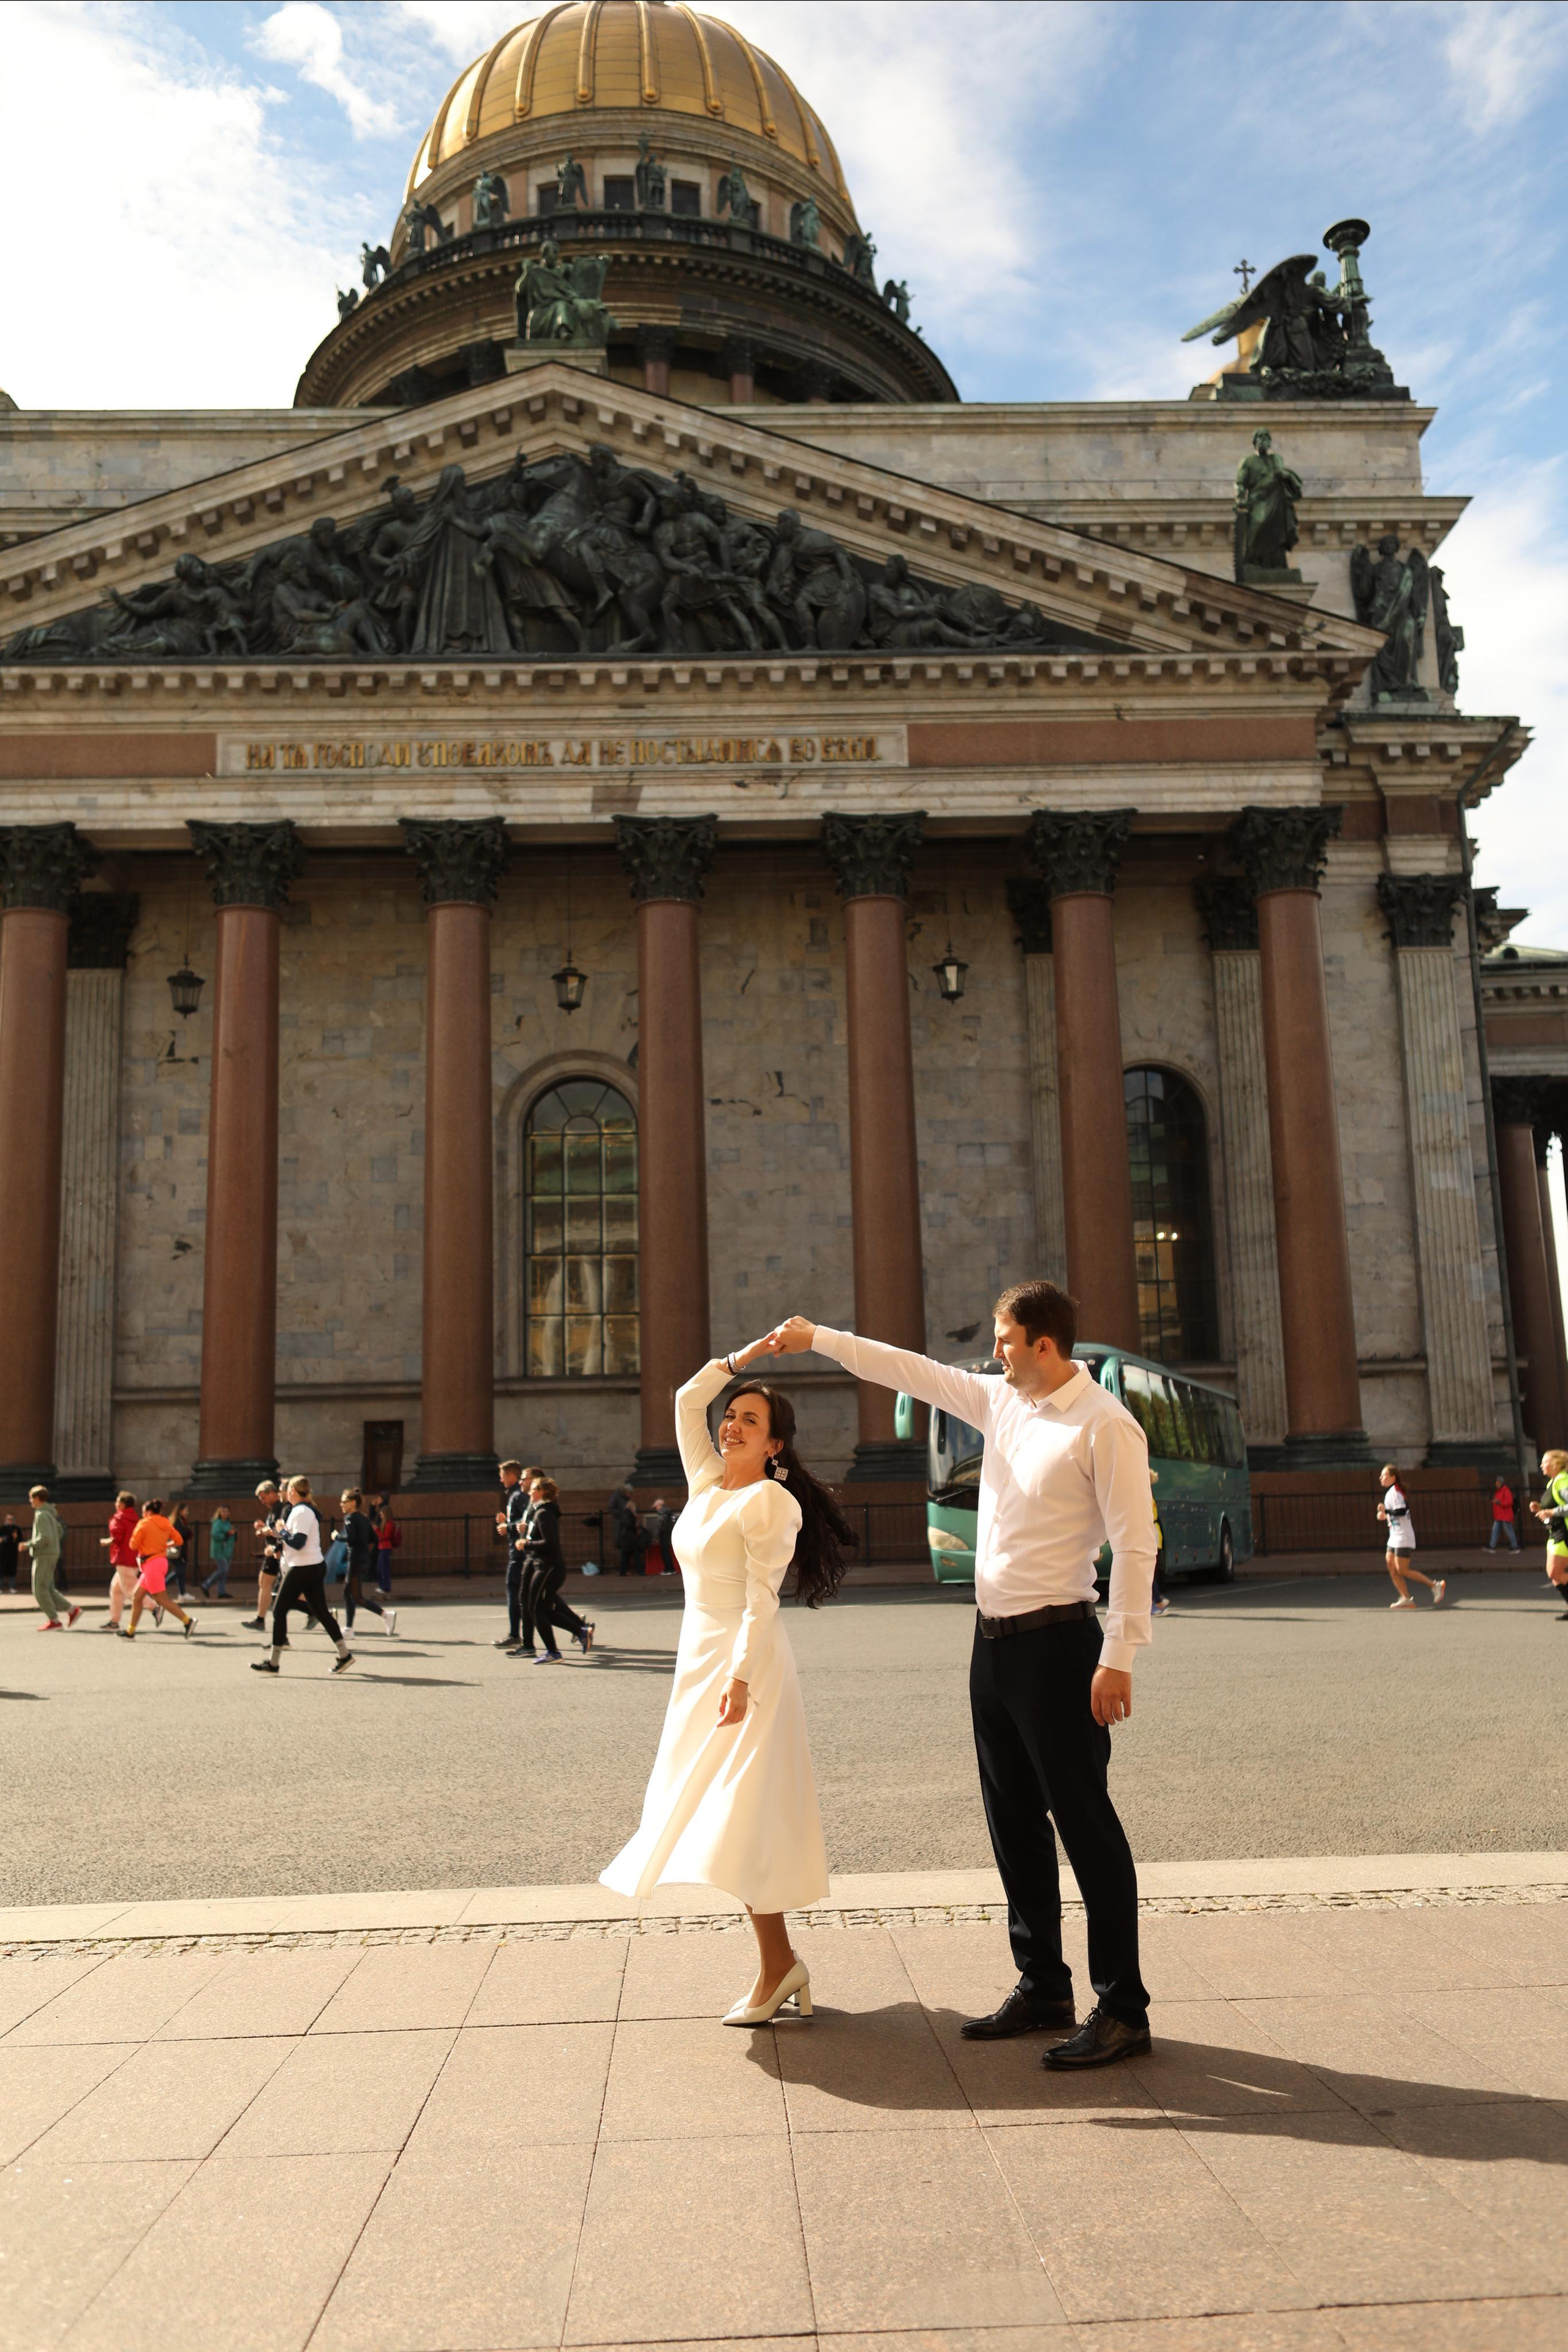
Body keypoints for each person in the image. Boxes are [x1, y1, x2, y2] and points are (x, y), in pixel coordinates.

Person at [768, 1282, 1156, 2069]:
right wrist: (819, 1337)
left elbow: (1137, 1545)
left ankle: (1123, 2008)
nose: (995, 1351)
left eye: (1006, 1338)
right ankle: (1043, 1984)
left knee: (1085, 1827)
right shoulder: (1000, 1402)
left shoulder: (1105, 1426)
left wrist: (1119, 1655)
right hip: (993, 1646)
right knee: (1012, 1822)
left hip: (1060, 1646)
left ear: (1044, 1344)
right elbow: (908, 1371)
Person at [603, 1336, 854, 2023]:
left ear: (774, 1445)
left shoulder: (769, 1504)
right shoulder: (707, 1484)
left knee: (738, 1820)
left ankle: (778, 1966)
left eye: (749, 1420)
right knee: (721, 1817)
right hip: (699, 1662)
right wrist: (748, 1355)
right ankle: (781, 1963)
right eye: (731, 1415)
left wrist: (739, 1679)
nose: (731, 1424)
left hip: (746, 1667)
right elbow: (686, 1399)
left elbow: (760, 1601)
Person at [251, 1476, 354, 1675]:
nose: (285, 1493)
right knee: (321, 1613)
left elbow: (298, 1542)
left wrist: (281, 1531)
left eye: (288, 1490)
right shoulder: (302, 1511)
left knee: (279, 1610)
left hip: (302, 1567)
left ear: (293, 1491)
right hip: (311, 1566)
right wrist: (276, 1532)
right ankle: (345, 1655)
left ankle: (274, 1663)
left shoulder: (301, 1511)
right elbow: (292, 1537)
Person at [519, 1476, 593, 1662]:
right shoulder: (540, 1512)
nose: (530, 1493)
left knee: (535, 1609)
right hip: (543, 1566)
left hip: (549, 1568)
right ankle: (580, 1632)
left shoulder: (544, 1513)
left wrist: (526, 1544)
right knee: (541, 1610)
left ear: (542, 1492)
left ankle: (554, 1652)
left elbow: (550, 1543)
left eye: (533, 1489)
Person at [122, 1499, 195, 1638]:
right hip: (160, 1561)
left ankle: (187, 1621)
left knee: (161, 1599)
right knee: (137, 1597)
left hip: (151, 1564)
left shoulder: (144, 1523)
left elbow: (133, 1545)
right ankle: (130, 1631)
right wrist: (165, 1546)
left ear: (148, 1512)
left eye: (143, 1512)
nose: (142, 1514)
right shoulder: (165, 1522)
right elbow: (179, 1541)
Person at [1378, 1465, 1445, 1608]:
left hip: (1403, 1536)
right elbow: (1394, 1514)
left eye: (1384, 1475)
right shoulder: (1390, 1493)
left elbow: (1401, 1511)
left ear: (1393, 1478)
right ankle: (1406, 1598)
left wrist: (1387, 1511)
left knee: (1402, 1570)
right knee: (1391, 1565)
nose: (1381, 1478)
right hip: (1394, 1535)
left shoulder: (1396, 1492)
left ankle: (1435, 1586)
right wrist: (1384, 1516)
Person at [494, 1460, 540, 1652]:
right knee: (534, 1596)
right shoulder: (516, 1495)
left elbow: (527, 1521)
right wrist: (509, 1522)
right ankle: (578, 1627)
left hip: (520, 1553)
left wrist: (509, 1527)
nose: (501, 1480)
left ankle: (516, 1635)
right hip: (521, 1552)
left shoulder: (517, 1496)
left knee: (518, 1594)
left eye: (503, 1476)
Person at [339, 1488, 395, 1636]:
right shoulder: (363, 1518)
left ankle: (385, 1615)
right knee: (350, 1594)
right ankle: (350, 1628)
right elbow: (374, 1539)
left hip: (355, 1559)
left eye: (344, 1502)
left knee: (354, 1595)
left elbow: (351, 1538)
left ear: (352, 1503)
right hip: (364, 1558)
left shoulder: (350, 1518)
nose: (341, 1504)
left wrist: (336, 1537)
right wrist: (362, 1542)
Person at [28, 1485, 77, 1630]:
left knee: (39, 1589)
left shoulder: (41, 1515)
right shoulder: (50, 1513)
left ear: (37, 1498)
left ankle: (54, 1620)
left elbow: (45, 1537)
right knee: (48, 1587)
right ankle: (71, 1610)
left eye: (31, 1498)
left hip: (44, 1554)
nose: (30, 1501)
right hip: (52, 1553)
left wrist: (29, 1545)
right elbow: (59, 1531)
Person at [242, 1480, 286, 1634]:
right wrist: (263, 1528)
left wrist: (263, 1531)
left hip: (275, 1552)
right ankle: (260, 1619)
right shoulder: (276, 1508)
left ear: (273, 1493)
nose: (262, 1501)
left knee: (267, 1584)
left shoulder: (279, 1507)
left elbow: (277, 1529)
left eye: (263, 1497)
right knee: (268, 1584)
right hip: (274, 1551)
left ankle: (260, 1620)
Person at [1529, 1449, 1568, 1614]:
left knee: (1554, 1572)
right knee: (1554, 1576)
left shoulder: (1562, 1481)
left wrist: (1551, 1512)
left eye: (1544, 1462)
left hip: (1564, 1533)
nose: (1541, 1465)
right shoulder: (1552, 1483)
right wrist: (1540, 1507)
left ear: (1555, 1464)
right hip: (1555, 1532)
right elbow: (1553, 1505)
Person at [101, 1490, 140, 1628]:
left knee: (132, 1591)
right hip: (134, 1558)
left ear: (123, 1504)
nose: (116, 1504)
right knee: (116, 1590)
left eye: (118, 1502)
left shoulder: (119, 1519)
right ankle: (114, 1621)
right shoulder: (136, 1519)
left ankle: (154, 1607)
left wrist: (106, 1542)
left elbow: (117, 1538)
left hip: (123, 1559)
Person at [200, 1506, 238, 1599]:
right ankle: (206, 1585)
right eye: (223, 1512)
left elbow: (232, 1534)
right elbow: (215, 1535)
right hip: (219, 1550)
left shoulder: (228, 1523)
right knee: (223, 1569)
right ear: (219, 1513)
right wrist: (228, 1534)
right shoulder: (218, 1523)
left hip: (227, 1550)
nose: (225, 1513)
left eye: (227, 1512)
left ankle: (222, 1592)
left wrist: (234, 1533)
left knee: (224, 1572)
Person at [1150, 1472, 1170, 1616]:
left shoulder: (1145, 1494)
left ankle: (1155, 1604)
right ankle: (1157, 1601)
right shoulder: (1150, 1494)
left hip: (1150, 1534)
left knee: (1148, 1573)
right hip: (1155, 1534)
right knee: (1150, 1572)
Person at [644, 1496, 677, 1576]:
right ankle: (670, 1569)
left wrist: (656, 1536)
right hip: (668, 1534)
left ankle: (669, 1569)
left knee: (665, 1553)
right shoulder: (669, 1513)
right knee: (667, 1553)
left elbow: (660, 1526)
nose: (656, 1509)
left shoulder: (662, 1513)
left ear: (660, 1506)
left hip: (664, 1535)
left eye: (656, 1507)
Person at [165, 1502, 193, 1599]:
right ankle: (164, 1585)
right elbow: (180, 1535)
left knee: (181, 1571)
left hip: (179, 1549)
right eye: (186, 1510)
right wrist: (188, 1533)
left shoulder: (181, 1520)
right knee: (180, 1570)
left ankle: (182, 1593)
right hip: (178, 1550)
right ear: (180, 1511)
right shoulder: (178, 1521)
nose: (187, 1513)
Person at [374, 1499, 401, 1595]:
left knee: (383, 1568)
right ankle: (383, 1586)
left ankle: (385, 1587)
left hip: (386, 1548)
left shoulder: (389, 1524)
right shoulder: (386, 1524)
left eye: (382, 1514)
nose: (381, 1516)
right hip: (383, 1548)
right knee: (381, 1568)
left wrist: (377, 1530)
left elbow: (386, 1536)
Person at [1488, 1476, 1520, 1552]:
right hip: (1500, 1515)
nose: (1497, 1484)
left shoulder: (1506, 1491)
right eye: (1496, 1483)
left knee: (1508, 1531)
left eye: (1498, 1483)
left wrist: (1499, 1502)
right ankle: (1492, 1546)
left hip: (1505, 1515)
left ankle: (1515, 1546)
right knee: (1495, 1531)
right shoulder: (1500, 1492)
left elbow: (1509, 1502)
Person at [0, 1510, 19, 1594]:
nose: (10, 1521)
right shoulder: (2, 1529)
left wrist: (16, 1538)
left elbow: (19, 1540)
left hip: (13, 1553)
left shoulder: (16, 1529)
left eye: (11, 1519)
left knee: (12, 1570)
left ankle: (12, 1587)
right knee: (1, 1570)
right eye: (8, 1519)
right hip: (3, 1553)